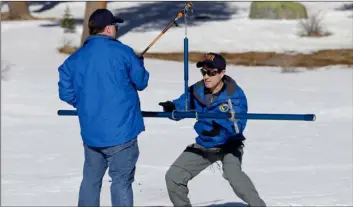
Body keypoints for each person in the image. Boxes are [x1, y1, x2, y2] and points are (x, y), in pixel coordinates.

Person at [58, 8, 149, 207]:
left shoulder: (75, 59)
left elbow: (65, 92)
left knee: (91, 181)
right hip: (122, 132)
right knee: (121, 182)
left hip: (91, 134)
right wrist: (139, 64)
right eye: (115, 26)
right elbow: (141, 82)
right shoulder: (123, 52)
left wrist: (85, 104)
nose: (116, 29)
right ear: (108, 29)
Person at [159, 53, 266, 207]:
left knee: (234, 176)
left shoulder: (234, 95)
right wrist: (172, 108)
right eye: (204, 72)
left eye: (211, 72)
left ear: (222, 73)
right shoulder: (197, 90)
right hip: (206, 144)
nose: (206, 77)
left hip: (229, 145)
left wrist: (220, 127)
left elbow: (237, 126)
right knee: (174, 176)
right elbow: (184, 104)